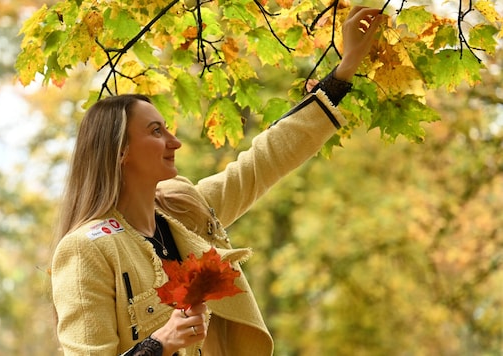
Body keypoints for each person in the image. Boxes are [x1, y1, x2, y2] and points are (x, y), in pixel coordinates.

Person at [51, 6, 385, 356]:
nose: (174, 141)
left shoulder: (184, 210)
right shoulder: (86, 249)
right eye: (155, 131)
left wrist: (346, 68)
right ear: (121, 152)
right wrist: (159, 344)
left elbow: (263, 161)